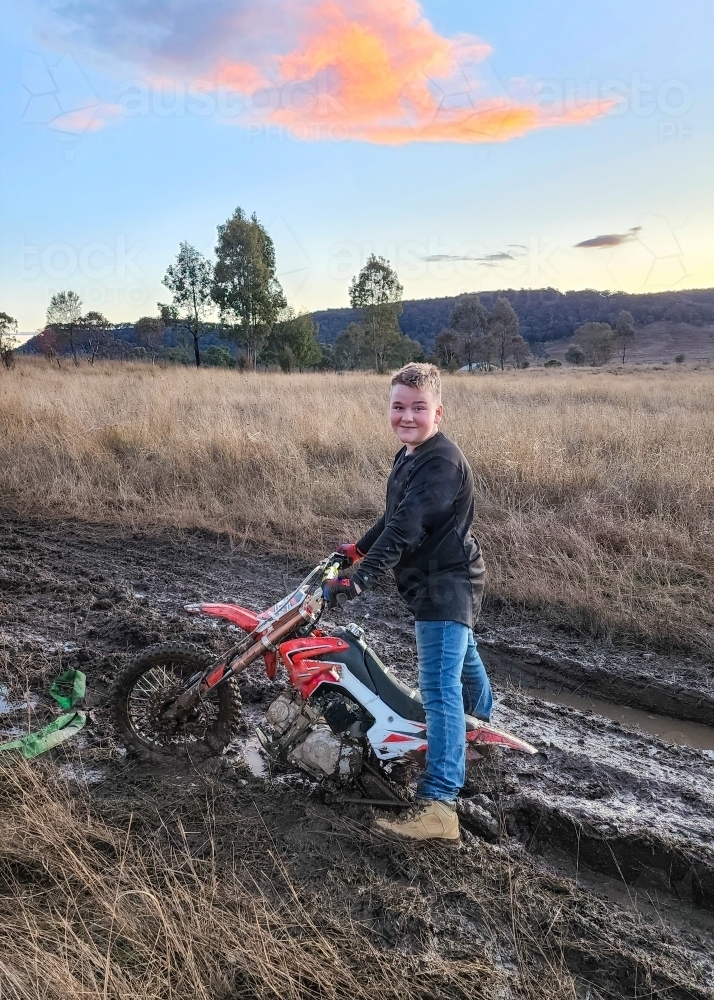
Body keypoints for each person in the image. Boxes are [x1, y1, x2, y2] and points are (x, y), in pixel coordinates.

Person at [323, 362, 492, 842]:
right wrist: (355, 549)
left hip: (446, 585)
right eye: (399, 406)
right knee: (463, 668)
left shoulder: (440, 461)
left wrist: (361, 579)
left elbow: (407, 525)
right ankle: (479, 746)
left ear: (438, 411)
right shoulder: (411, 454)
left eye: (419, 408)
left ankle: (439, 804)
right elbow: (392, 515)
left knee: (438, 689)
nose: (407, 416)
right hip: (435, 581)